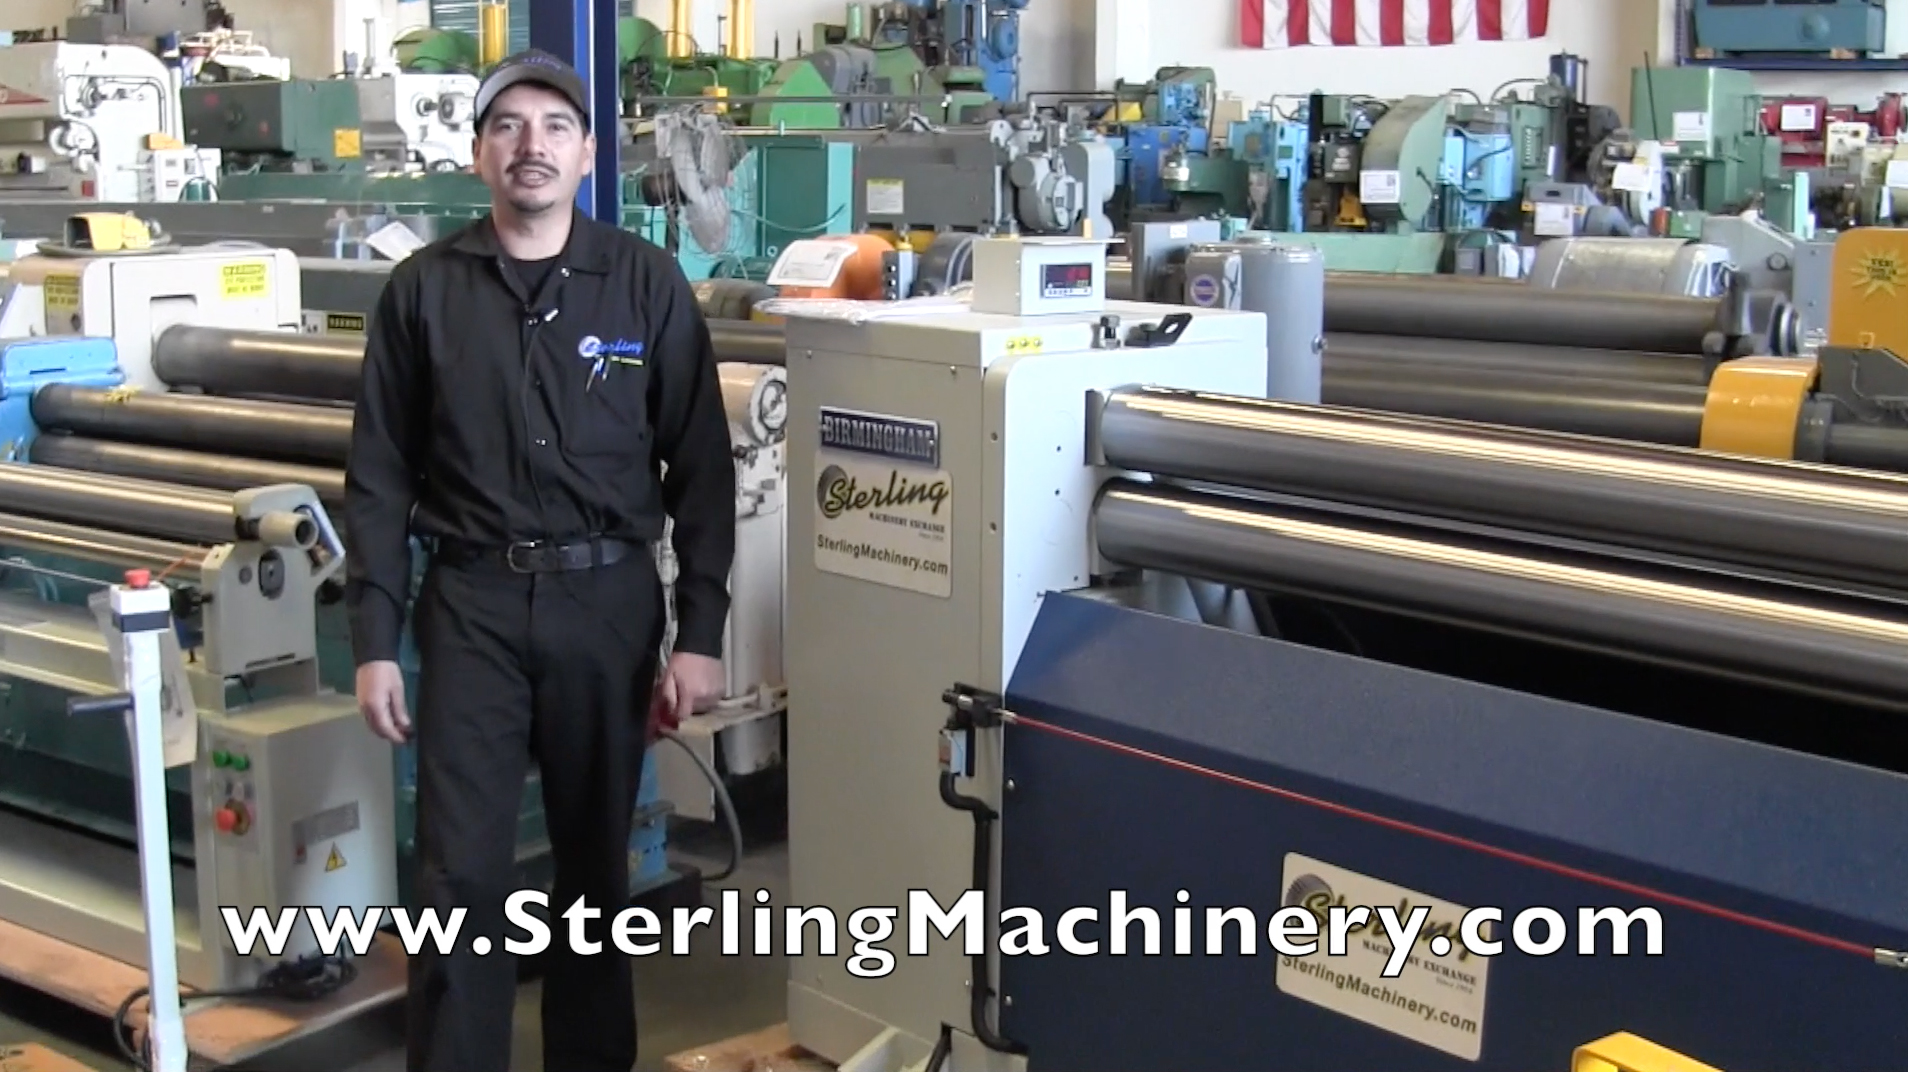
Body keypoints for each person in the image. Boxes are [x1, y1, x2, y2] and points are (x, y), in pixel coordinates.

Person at [342, 49, 735, 1072]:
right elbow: (378, 477)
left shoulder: (645, 284)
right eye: (508, 126)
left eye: (556, 126)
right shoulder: (423, 292)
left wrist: (699, 634)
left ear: (588, 153)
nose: (533, 145)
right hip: (469, 603)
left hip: (606, 605)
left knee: (596, 875)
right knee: (459, 878)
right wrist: (375, 639)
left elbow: (701, 467)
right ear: (480, 153)